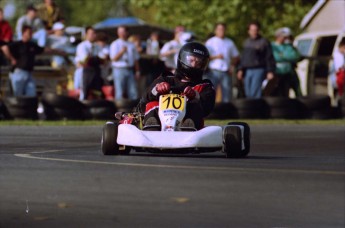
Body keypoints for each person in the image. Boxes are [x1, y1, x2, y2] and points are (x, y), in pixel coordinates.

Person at [141, 42, 215, 130]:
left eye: (198, 62)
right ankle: (152, 126)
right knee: (152, 104)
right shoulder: (165, 78)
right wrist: (157, 89)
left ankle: (188, 127)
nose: (194, 65)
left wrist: (195, 95)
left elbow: (207, 107)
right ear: (182, 59)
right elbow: (145, 99)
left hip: (188, 127)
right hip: (161, 123)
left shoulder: (205, 86)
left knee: (195, 106)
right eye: (191, 60)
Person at [1, 25, 63, 96]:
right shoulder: (18, 44)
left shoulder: (32, 45)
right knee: (17, 94)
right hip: (19, 72)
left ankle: (29, 106)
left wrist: (58, 51)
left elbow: (44, 49)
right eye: (29, 33)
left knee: (31, 94)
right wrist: (12, 59)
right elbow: (4, 48)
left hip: (29, 73)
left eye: (31, 33)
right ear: (23, 33)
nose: (30, 35)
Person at [237, 22, 276, 98]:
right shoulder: (246, 42)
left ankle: (255, 108)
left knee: (254, 92)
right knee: (247, 92)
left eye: (256, 30)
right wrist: (240, 69)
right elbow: (243, 58)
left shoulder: (264, 42)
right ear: (249, 31)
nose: (254, 32)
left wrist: (270, 71)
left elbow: (269, 57)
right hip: (247, 70)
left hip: (259, 69)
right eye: (252, 30)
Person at [205, 23, 239, 102]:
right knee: (211, 93)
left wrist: (232, 66)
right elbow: (205, 57)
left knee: (227, 94)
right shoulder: (210, 42)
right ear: (215, 30)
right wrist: (216, 57)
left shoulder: (229, 42)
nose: (221, 31)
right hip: (213, 71)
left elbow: (236, 56)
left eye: (223, 29)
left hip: (225, 71)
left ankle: (226, 112)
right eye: (219, 29)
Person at [110, 26, 140, 100]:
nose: (122, 34)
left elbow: (136, 59)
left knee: (133, 91)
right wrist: (121, 52)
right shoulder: (115, 44)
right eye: (120, 32)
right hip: (119, 69)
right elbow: (113, 59)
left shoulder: (131, 44)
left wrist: (137, 71)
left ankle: (134, 109)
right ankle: (119, 109)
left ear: (127, 32)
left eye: (123, 32)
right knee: (120, 91)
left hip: (130, 69)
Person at [75, 26, 105, 100]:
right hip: (86, 71)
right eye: (91, 34)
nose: (93, 36)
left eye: (94, 34)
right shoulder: (82, 46)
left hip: (96, 71)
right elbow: (83, 60)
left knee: (97, 91)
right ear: (86, 35)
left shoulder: (97, 46)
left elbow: (103, 58)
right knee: (85, 91)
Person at [271, 27, 300, 97]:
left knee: (290, 91)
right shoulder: (272, 46)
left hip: (289, 73)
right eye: (284, 37)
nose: (285, 39)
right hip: (277, 73)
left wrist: (282, 56)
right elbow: (274, 57)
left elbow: (295, 56)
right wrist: (284, 56)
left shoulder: (288, 46)